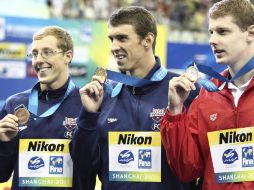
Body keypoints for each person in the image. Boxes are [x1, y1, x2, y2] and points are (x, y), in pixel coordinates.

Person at [70, 6, 199, 190]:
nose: (114, 47)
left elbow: (198, 167)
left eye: (122, 38)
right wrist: (88, 117)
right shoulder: (102, 95)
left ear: (147, 40)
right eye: (111, 39)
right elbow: (84, 168)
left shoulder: (185, 92)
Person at [160, 0, 254, 190]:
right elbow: (186, 170)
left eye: (222, 32)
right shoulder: (207, 97)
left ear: (250, 33)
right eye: (211, 32)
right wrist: (176, 111)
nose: (212, 40)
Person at [0, 26, 93, 189]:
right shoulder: (14, 105)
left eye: (47, 52)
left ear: (68, 56)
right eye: (34, 54)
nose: (38, 60)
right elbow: (1, 175)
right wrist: (3, 144)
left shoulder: (87, 104)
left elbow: (96, 169)